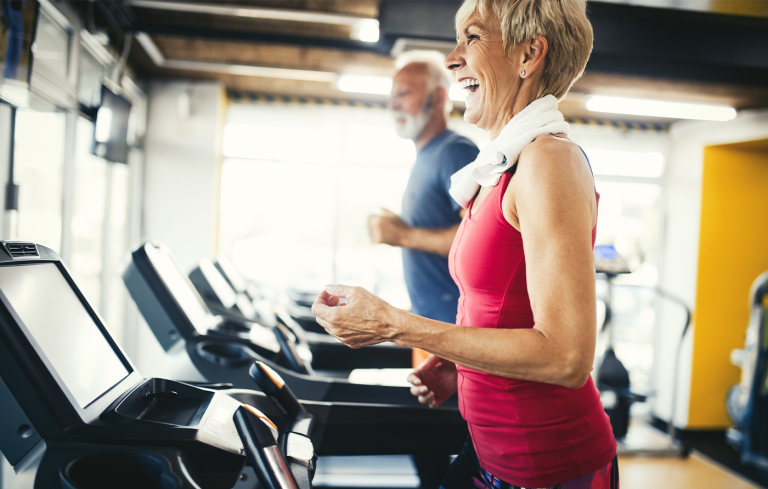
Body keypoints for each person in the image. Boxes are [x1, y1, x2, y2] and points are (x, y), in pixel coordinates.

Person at [313, 0, 618, 488]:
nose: (453, 58)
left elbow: (566, 357)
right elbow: (503, 307)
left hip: (549, 464)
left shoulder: (548, 162)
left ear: (528, 55)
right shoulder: (501, 169)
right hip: (487, 448)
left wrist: (395, 325)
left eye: (472, 38)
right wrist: (462, 368)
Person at [368, 51, 479, 489]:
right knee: (427, 451)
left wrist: (403, 235)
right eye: (391, 96)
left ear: (436, 98)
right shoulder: (426, 155)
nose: (393, 104)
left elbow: (481, 239)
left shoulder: (456, 150)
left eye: (403, 94)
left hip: (455, 337)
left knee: (445, 452)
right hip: (428, 327)